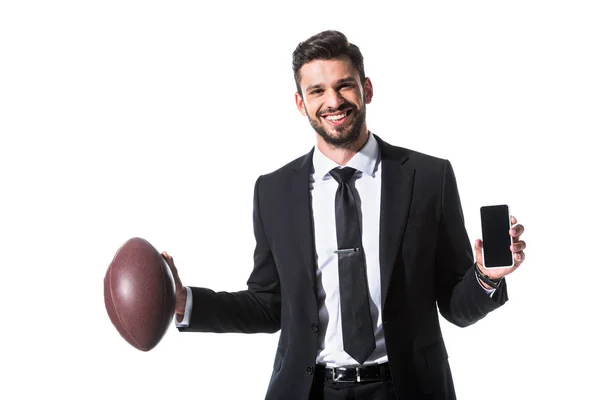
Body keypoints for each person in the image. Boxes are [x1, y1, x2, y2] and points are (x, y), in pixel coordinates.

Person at [162, 30, 527, 400]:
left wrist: (485, 276)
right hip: (309, 390)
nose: (333, 101)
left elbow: (456, 307)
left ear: (367, 89)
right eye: (317, 91)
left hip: (409, 388)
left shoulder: (429, 178)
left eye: (344, 86)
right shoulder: (273, 191)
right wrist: (185, 302)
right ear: (300, 103)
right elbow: (268, 305)